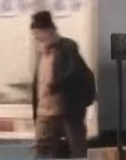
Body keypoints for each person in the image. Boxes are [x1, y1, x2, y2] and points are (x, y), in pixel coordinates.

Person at [30, 11, 95, 159]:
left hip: (67, 111)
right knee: (41, 152)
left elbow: (74, 72)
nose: (36, 37)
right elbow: (38, 83)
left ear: (49, 30)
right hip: (45, 113)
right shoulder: (42, 52)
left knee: (77, 150)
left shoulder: (67, 47)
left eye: (38, 32)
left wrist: (55, 85)